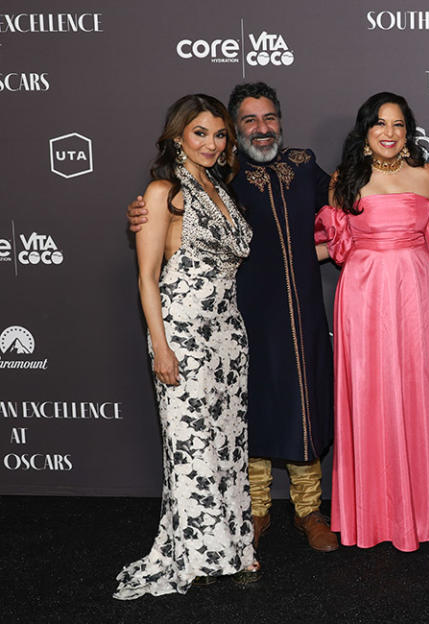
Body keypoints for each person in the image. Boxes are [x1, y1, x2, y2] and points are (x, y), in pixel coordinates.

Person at [128, 82, 337, 553]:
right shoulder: (223, 178)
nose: (261, 130)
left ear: (281, 121)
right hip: (240, 317)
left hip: (301, 313)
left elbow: (350, 198)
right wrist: (145, 211)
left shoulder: (303, 165)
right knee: (247, 414)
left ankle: (310, 511)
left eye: (269, 119)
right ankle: (255, 509)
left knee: (305, 407)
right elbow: (169, 224)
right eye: (248, 121)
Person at [314, 92, 429, 551]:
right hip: (362, 299)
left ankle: (424, 509)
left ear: (408, 133)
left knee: (418, 391)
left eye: (398, 124)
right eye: (380, 124)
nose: (389, 132)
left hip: (414, 297)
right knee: (369, 395)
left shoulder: (427, 177)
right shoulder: (345, 181)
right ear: (365, 134)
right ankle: (374, 514)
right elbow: (334, 247)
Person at [115, 94, 256, 599]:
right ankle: (199, 554)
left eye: (220, 134)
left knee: (226, 443)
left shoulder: (221, 188)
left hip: (228, 334)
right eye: (200, 133)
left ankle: (234, 546)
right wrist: (161, 346)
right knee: (190, 447)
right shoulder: (162, 192)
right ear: (178, 136)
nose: (212, 143)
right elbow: (147, 278)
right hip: (183, 333)